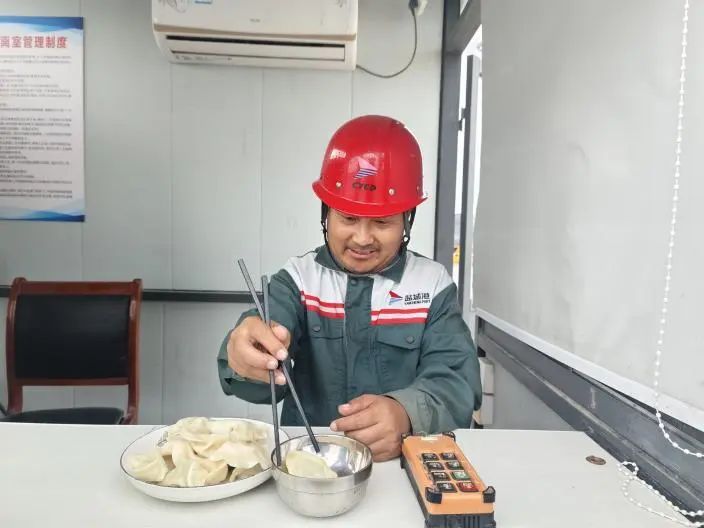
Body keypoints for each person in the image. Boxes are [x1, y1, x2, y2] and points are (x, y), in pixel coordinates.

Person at [217, 115, 481, 461]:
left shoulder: (432, 285)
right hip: (308, 465)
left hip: (401, 466)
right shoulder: (299, 279)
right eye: (348, 218)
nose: (362, 238)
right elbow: (259, 343)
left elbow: (458, 382)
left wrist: (406, 414)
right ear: (326, 214)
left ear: (407, 220)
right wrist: (243, 356)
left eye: (382, 221)